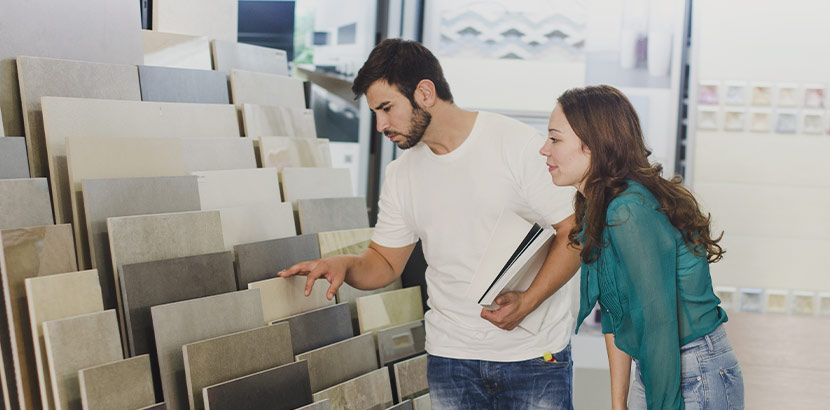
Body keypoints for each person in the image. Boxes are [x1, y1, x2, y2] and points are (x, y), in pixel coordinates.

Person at [279, 38, 581, 409]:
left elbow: (575, 231)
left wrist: (528, 301)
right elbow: (385, 264)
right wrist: (344, 265)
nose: (380, 125)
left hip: (534, 357)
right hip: (450, 360)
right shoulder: (401, 175)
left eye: (386, 108)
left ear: (424, 92)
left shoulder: (516, 145)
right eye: (375, 113)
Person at [539, 84, 744, 410]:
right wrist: (617, 404)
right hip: (654, 366)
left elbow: (658, 323)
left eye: (555, 138)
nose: (544, 150)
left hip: (692, 369)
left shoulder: (629, 209)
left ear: (592, 145)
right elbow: (615, 315)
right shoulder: (598, 205)